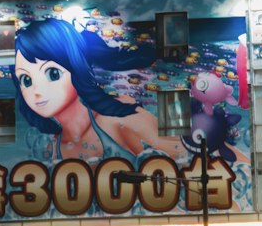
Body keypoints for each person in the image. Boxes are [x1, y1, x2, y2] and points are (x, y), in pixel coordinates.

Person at [13, 18, 186, 163]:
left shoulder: (116, 118)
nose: (37, 90)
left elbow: (183, 157)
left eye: (52, 73)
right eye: (26, 80)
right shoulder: (55, 144)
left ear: (77, 68)